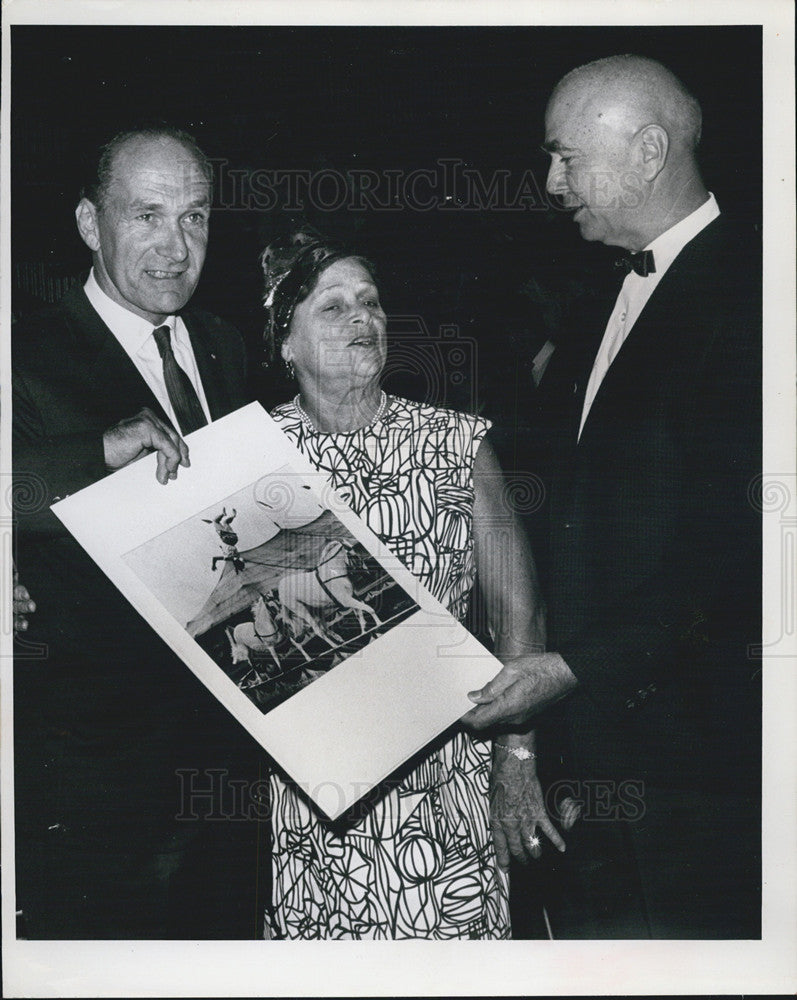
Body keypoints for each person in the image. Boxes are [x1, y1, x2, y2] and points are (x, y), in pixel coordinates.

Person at [464, 55, 761, 938]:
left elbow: (741, 549)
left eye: (564, 158)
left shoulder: (754, 293)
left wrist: (568, 669)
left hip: (695, 773)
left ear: (647, 151)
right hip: (591, 756)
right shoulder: (600, 293)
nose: (550, 183)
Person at [259, 229, 560, 939]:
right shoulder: (252, 457)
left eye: (370, 301)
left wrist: (516, 759)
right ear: (285, 344)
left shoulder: (457, 443)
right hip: (318, 786)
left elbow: (521, 616)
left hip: (449, 772)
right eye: (333, 307)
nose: (362, 317)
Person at [12, 127, 263, 938]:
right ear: (90, 223)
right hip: (93, 785)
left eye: (194, 218)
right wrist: (100, 451)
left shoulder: (225, 347)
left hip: (229, 776)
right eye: (146, 216)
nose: (174, 246)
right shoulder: (23, 349)